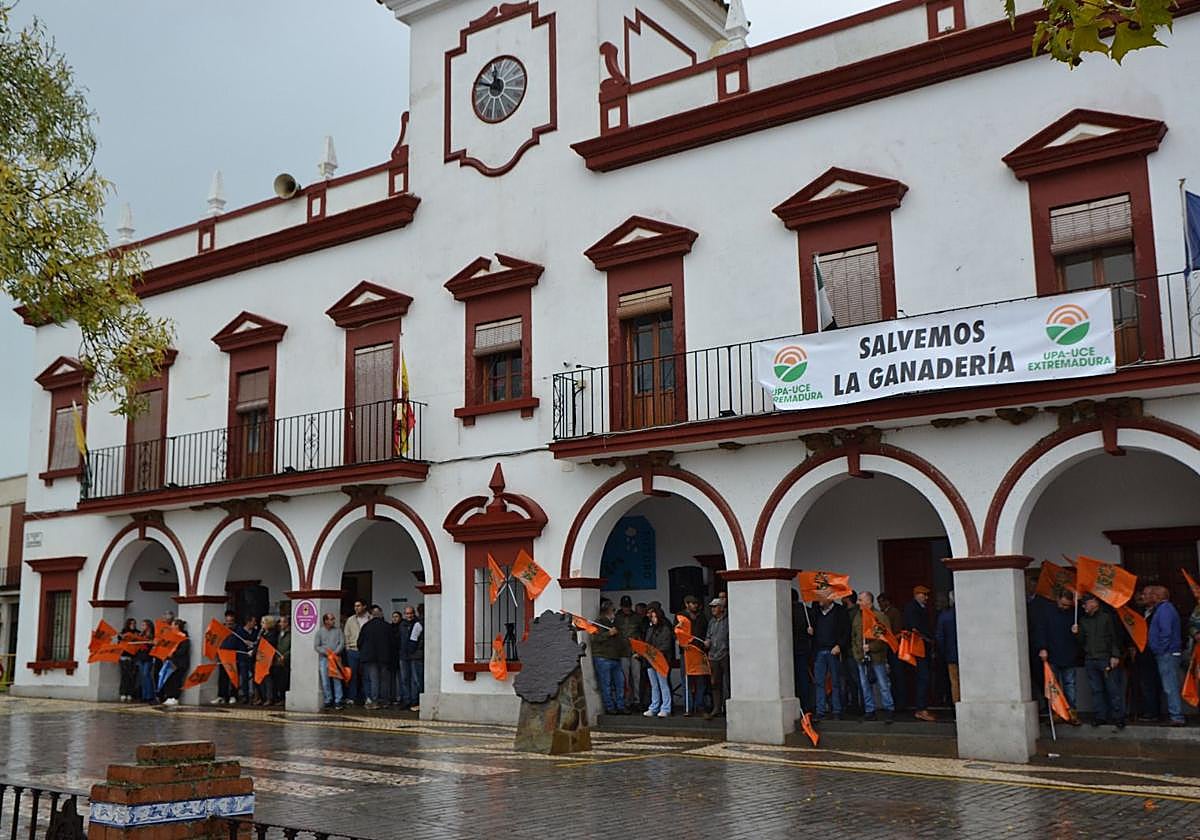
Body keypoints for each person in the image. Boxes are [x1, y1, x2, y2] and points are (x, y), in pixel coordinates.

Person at [1074, 593, 1125, 729]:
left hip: (1106, 658)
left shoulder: (1107, 617)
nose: (1083, 607)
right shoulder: (1083, 620)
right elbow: (1081, 642)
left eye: (1085, 603)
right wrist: (1077, 633)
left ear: (1094, 602)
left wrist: (1115, 655)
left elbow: (1115, 637)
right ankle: (1100, 716)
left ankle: (1118, 716)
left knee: (1113, 689)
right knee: (1096, 690)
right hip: (1090, 658)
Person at [1035, 590, 1081, 725]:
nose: (1065, 607)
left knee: (1070, 685)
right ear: (1057, 599)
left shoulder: (1075, 613)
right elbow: (1041, 630)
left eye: (1067, 605)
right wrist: (1042, 648)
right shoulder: (1047, 612)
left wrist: (1078, 631)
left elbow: (1084, 633)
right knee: (1053, 687)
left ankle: (1072, 713)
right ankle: (1057, 713)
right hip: (1052, 654)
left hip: (1069, 654)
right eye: (1063, 604)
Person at [850, 591, 895, 723]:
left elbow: (885, 637)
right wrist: (857, 652)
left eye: (860, 600)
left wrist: (871, 647)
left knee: (883, 684)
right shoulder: (857, 617)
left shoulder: (880, 617)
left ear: (868, 601)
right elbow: (854, 637)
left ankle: (889, 709)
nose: (858, 602)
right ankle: (870, 710)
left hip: (877, 657)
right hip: (861, 657)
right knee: (865, 685)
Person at [1146, 585, 1186, 726]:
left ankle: (1176, 716)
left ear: (1157, 596)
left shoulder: (1164, 610)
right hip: (1167, 652)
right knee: (1170, 684)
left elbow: (1166, 632)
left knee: (1170, 686)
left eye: (1152, 594)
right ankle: (1175, 715)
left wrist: (1160, 649)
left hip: (1167, 653)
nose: (1149, 596)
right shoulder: (1165, 609)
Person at [811, 594, 850, 721]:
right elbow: (813, 629)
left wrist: (840, 645)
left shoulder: (840, 611)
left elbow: (846, 631)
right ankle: (820, 710)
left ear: (830, 598)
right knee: (819, 682)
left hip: (833, 650)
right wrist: (810, 631)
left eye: (821, 597)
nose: (819, 600)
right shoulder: (816, 612)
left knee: (836, 682)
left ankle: (837, 710)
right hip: (819, 650)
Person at [904, 585, 937, 722]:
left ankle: (921, 707)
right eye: (924, 595)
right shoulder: (912, 608)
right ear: (917, 594)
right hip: (918, 647)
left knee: (923, 677)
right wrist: (928, 638)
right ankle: (921, 709)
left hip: (922, 647)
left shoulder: (920, 608)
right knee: (923, 677)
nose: (926, 598)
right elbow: (915, 628)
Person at [590, 599, 629, 714]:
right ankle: (610, 707)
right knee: (606, 684)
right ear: (607, 610)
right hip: (603, 657)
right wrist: (608, 633)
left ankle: (620, 705)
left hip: (615, 657)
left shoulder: (614, 623)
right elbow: (595, 638)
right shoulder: (598, 622)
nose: (614, 612)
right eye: (613, 609)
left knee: (620, 683)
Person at [614, 595, 647, 711]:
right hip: (622, 652)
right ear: (621, 606)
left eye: (628, 606)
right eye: (624, 606)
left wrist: (641, 650)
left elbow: (642, 634)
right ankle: (627, 701)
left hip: (635, 651)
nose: (626, 609)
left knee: (637, 678)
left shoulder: (637, 618)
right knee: (625, 679)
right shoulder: (617, 618)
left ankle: (637, 701)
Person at [680, 595, 709, 716]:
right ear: (686, 604)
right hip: (686, 652)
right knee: (687, 680)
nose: (695, 605)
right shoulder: (680, 617)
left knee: (700, 679)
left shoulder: (702, 617)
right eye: (692, 603)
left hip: (699, 651)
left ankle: (700, 705)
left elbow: (706, 632)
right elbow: (677, 633)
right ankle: (689, 707)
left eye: (696, 603)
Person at [643, 606, 674, 718]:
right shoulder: (650, 629)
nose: (652, 618)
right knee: (654, 685)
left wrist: (654, 652)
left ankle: (666, 708)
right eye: (651, 617)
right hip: (650, 661)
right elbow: (647, 643)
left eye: (654, 616)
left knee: (663, 684)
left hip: (661, 660)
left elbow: (666, 646)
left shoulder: (665, 629)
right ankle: (654, 707)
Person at [357, 605, 389, 709]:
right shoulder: (386, 626)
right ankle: (384, 701)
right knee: (384, 679)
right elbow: (392, 642)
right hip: (384, 657)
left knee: (374, 679)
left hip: (370, 657)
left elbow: (359, 642)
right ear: (381, 614)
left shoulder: (366, 626)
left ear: (371, 615)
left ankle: (375, 701)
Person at [704, 597, 731, 719]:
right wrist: (707, 641)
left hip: (725, 654)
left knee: (727, 683)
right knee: (715, 683)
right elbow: (708, 635)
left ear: (721, 608)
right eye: (712, 607)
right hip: (713, 655)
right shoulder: (711, 622)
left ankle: (727, 707)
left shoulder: (728, 621)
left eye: (715, 607)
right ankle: (716, 708)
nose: (713, 609)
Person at [878, 593, 906, 710]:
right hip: (886, 648)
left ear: (887, 601)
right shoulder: (882, 613)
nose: (880, 605)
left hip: (894, 648)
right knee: (891, 677)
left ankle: (901, 703)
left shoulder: (894, 613)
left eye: (881, 602)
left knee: (898, 676)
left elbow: (897, 631)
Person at [314, 612, 346, 710]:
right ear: (326, 621)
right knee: (325, 680)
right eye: (331, 619)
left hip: (336, 658)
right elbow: (316, 646)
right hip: (324, 659)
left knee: (337, 679)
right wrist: (326, 652)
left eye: (333, 619)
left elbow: (342, 643)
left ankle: (338, 700)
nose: (333, 621)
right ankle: (328, 699)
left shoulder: (338, 631)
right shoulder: (320, 632)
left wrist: (334, 653)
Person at [343, 599, 370, 706]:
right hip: (353, 650)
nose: (356, 608)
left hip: (366, 651)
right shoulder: (350, 620)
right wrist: (347, 648)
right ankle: (352, 697)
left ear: (364, 606)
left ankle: (367, 697)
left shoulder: (370, 618)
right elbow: (346, 634)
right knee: (352, 675)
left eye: (358, 606)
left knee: (366, 675)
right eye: (355, 606)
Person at [791, 589, 815, 712]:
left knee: (795, 678)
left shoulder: (787, 611)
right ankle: (806, 705)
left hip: (791, 649)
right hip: (804, 648)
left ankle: (800, 704)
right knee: (804, 677)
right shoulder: (806, 611)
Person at [936, 591, 960, 704]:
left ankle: (957, 706)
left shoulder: (945, 616)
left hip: (951, 654)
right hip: (967, 654)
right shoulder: (967, 614)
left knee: (954, 681)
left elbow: (940, 637)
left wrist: (943, 652)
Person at [399, 605, 424, 712]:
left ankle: (414, 700)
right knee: (405, 679)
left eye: (411, 613)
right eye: (407, 613)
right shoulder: (402, 625)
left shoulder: (417, 624)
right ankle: (407, 700)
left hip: (414, 656)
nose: (409, 615)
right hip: (403, 655)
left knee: (415, 680)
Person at [161, 619, 190, 706]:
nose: (171, 626)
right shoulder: (171, 636)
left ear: (177, 626)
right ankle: (169, 696)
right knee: (169, 680)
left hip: (180, 663)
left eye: (173, 625)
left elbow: (182, 651)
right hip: (171, 662)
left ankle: (175, 697)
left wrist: (173, 653)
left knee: (176, 680)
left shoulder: (184, 638)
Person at [213, 611, 238, 705]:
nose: (229, 623)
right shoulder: (221, 629)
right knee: (222, 677)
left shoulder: (237, 631)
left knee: (233, 677)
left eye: (231, 621)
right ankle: (221, 696)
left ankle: (233, 695)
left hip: (233, 657)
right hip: (222, 656)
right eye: (227, 621)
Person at [256, 616, 279, 706]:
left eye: (263, 622)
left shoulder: (272, 634)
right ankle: (262, 697)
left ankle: (269, 698)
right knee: (261, 677)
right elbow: (258, 644)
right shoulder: (262, 633)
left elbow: (267, 645)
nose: (261, 624)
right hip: (261, 658)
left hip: (268, 659)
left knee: (268, 678)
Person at [118, 618, 139, 702]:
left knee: (132, 676)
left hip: (133, 657)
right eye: (131, 623)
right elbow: (119, 642)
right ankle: (123, 693)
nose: (133, 625)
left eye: (134, 623)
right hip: (124, 656)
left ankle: (130, 693)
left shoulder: (137, 632)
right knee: (124, 675)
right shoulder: (124, 632)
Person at [273, 615, 291, 705]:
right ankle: (279, 698)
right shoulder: (279, 634)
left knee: (285, 680)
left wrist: (285, 656)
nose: (281, 624)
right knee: (278, 680)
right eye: (280, 622)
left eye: (284, 622)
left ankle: (284, 699)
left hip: (286, 661)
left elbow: (292, 647)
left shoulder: (290, 634)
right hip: (278, 660)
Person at [137, 619, 156, 703]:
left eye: (144, 625)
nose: (142, 627)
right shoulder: (141, 635)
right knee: (142, 677)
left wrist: (151, 643)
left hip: (148, 657)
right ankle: (144, 695)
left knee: (146, 675)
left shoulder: (152, 636)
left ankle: (150, 695)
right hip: (141, 657)